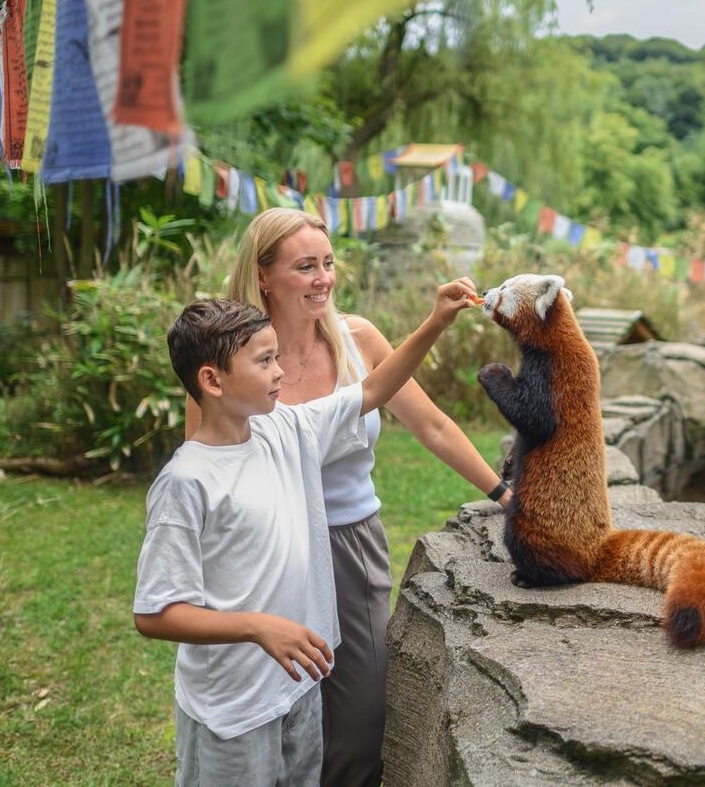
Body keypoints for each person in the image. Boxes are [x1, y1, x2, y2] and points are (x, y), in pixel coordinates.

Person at [185, 207, 511, 787]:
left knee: (361, 721)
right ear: (263, 275)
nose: (323, 279)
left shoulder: (357, 337)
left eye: (329, 264)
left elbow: (431, 424)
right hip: (267, 553)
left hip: (351, 546)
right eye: (305, 266)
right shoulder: (228, 360)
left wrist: (502, 490)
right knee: (276, 714)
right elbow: (207, 469)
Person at [136, 282, 477, 786]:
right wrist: (258, 627)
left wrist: (436, 323)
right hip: (233, 709)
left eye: (276, 357)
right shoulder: (187, 483)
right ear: (212, 379)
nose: (280, 373)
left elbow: (374, 390)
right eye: (264, 362)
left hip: (297, 689)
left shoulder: (285, 430)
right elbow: (155, 613)